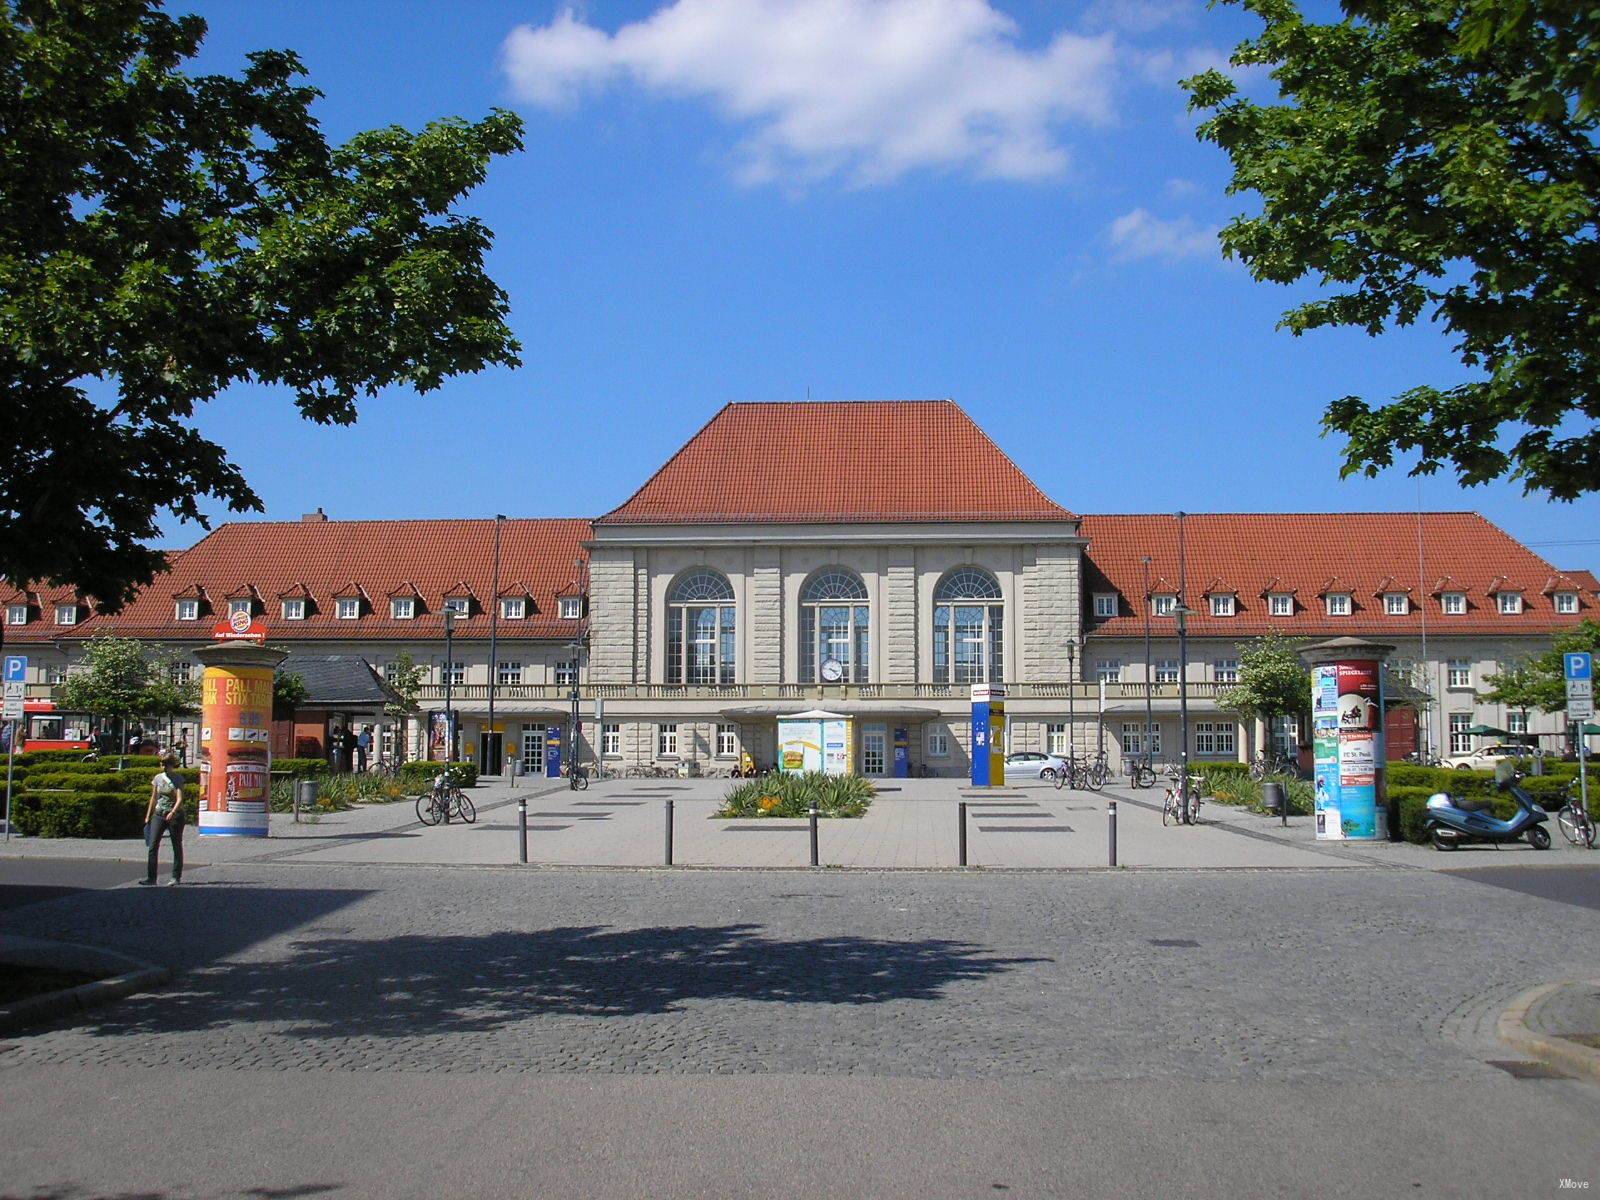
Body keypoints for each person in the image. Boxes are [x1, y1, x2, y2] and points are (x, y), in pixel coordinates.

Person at [142, 754, 186, 886]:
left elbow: (179, 798)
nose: (164, 766)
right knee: (153, 845)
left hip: (175, 815)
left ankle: (175, 876)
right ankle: (151, 878)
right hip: (159, 813)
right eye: (162, 764)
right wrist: (148, 815)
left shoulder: (178, 779)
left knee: (176, 845)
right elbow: (154, 797)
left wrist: (173, 812)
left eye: (166, 764)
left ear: (172, 765)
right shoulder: (158, 778)